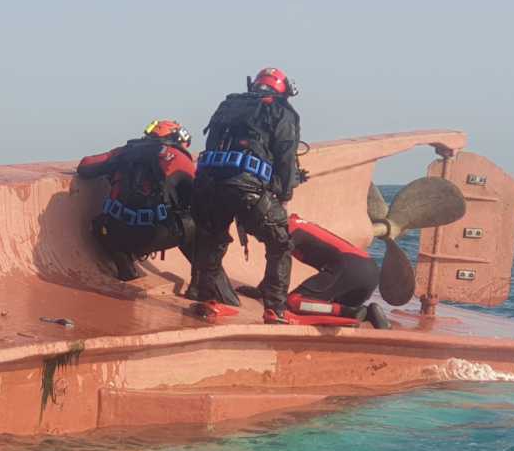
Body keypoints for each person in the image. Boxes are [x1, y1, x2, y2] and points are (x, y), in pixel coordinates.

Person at [189, 68, 302, 323]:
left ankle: (209, 301)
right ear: (283, 90)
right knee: (280, 244)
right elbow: (284, 155)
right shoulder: (281, 111)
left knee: (212, 239)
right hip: (246, 188)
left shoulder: (228, 105)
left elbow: (211, 144)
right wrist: (283, 193)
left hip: (208, 184)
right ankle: (274, 309)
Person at [77, 120, 197, 281]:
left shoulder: (124, 151)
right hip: (156, 234)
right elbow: (197, 196)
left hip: (117, 232)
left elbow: (85, 167)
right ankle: (201, 282)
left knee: (101, 225)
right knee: (196, 222)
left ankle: (126, 269)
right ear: (178, 138)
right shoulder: (179, 157)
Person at [237, 214, 391, 328]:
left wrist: (263, 293)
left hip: (348, 267)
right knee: (326, 311)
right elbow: (277, 267)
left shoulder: (284, 229)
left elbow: (278, 267)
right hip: (369, 270)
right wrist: (261, 291)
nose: (256, 237)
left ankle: (357, 313)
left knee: (293, 303)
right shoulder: (297, 224)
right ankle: (356, 316)